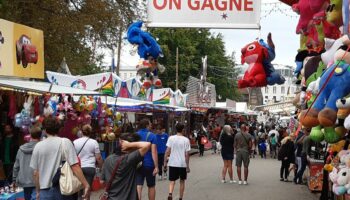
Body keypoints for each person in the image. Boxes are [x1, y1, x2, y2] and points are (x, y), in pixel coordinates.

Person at [30, 117, 90, 200]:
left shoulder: (38, 146)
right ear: (58, 129)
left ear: (45, 130)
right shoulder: (65, 142)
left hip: (44, 192)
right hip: (62, 190)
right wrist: (86, 184)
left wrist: (38, 191)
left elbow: (36, 173)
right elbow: (75, 166)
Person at [101, 132, 151, 200]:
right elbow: (147, 145)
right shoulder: (129, 159)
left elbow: (102, 181)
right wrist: (130, 144)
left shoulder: (107, 159)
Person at [73, 124, 103, 200]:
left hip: (78, 168)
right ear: (90, 132)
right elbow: (98, 158)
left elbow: (72, 156)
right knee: (87, 190)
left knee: (79, 191)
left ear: (81, 132)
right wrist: (101, 167)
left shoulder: (75, 142)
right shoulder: (94, 142)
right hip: (90, 167)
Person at [13, 126, 41, 200]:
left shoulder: (21, 149)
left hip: (25, 181)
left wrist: (14, 180)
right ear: (40, 135)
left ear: (30, 135)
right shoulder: (42, 147)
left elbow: (16, 166)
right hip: (39, 181)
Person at [164, 123, 191, 200]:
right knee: (182, 181)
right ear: (183, 130)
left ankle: (170, 193)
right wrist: (187, 166)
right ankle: (180, 198)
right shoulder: (186, 140)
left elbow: (167, 151)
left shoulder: (171, 138)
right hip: (182, 164)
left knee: (172, 181)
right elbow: (187, 154)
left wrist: (165, 162)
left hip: (172, 163)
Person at [136, 119, 158, 200]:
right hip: (149, 164)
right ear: (146, 125)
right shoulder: (152, 136)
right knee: (151, 186)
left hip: (137, 163)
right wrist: (156, 166)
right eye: (150, 124)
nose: (151, 125)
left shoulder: (135, 135)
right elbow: (154, 152)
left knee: (138, 185)